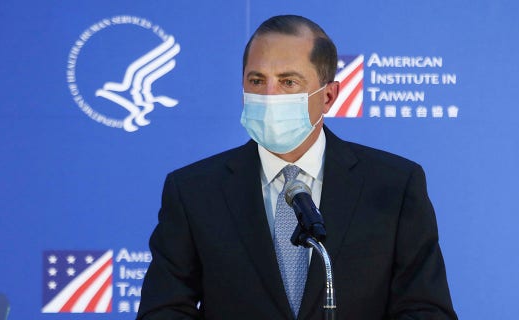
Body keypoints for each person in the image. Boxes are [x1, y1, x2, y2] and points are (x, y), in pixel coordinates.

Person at [137, 15, 457, 320]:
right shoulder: (194, 191)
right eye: (257, 80)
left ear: (329, 96)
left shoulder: (394, 186)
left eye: (288, 82)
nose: (269, 95)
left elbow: (427, 311)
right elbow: (164, 310)